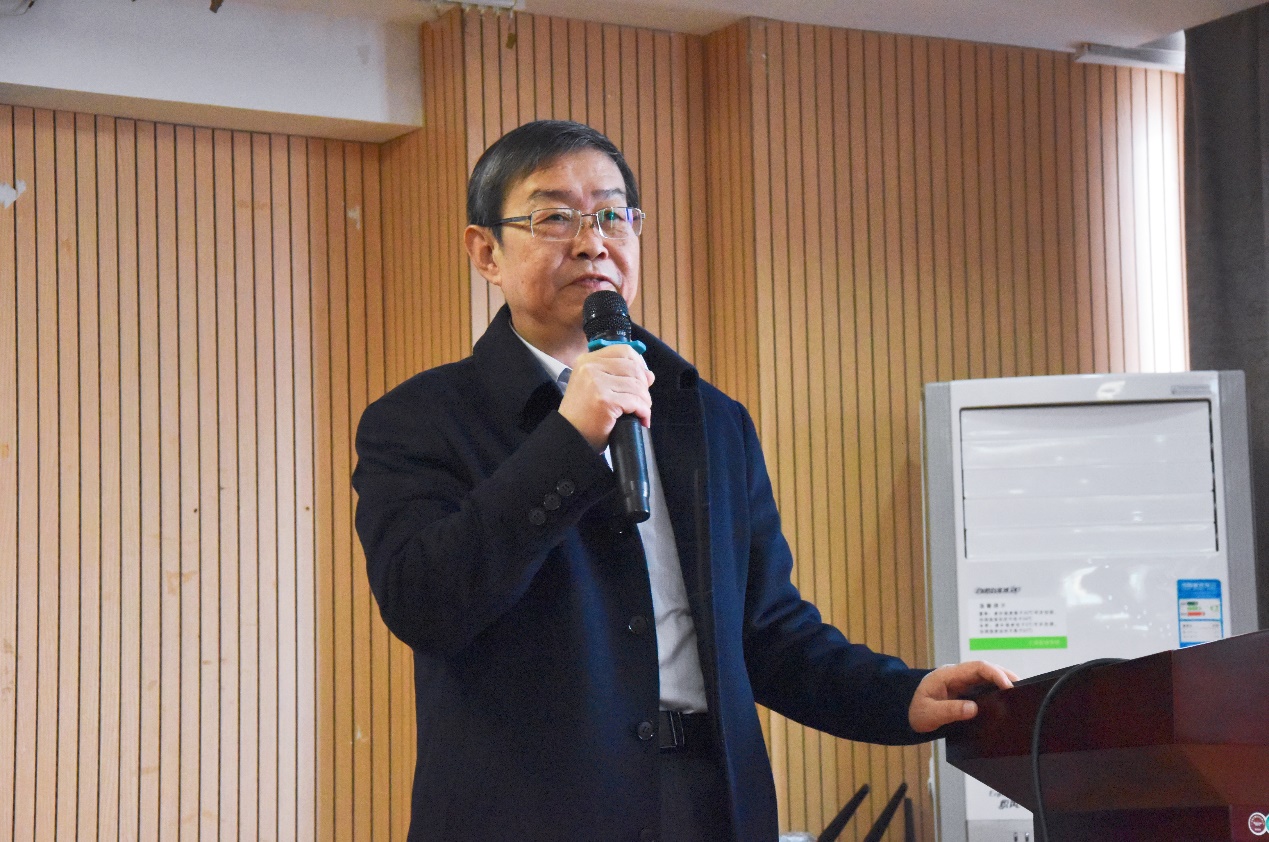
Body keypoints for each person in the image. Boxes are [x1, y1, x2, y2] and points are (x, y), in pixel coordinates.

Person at [352, 119, 1015, 842]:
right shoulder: (421, 418)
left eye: (612, 216)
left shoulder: (706, 417)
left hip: (709, 802)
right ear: (486, 252)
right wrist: (569, 439)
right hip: (530, 812)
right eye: (554, 218)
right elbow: (426, 605)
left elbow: (766, 631)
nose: (592, 242)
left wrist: (901, 696)